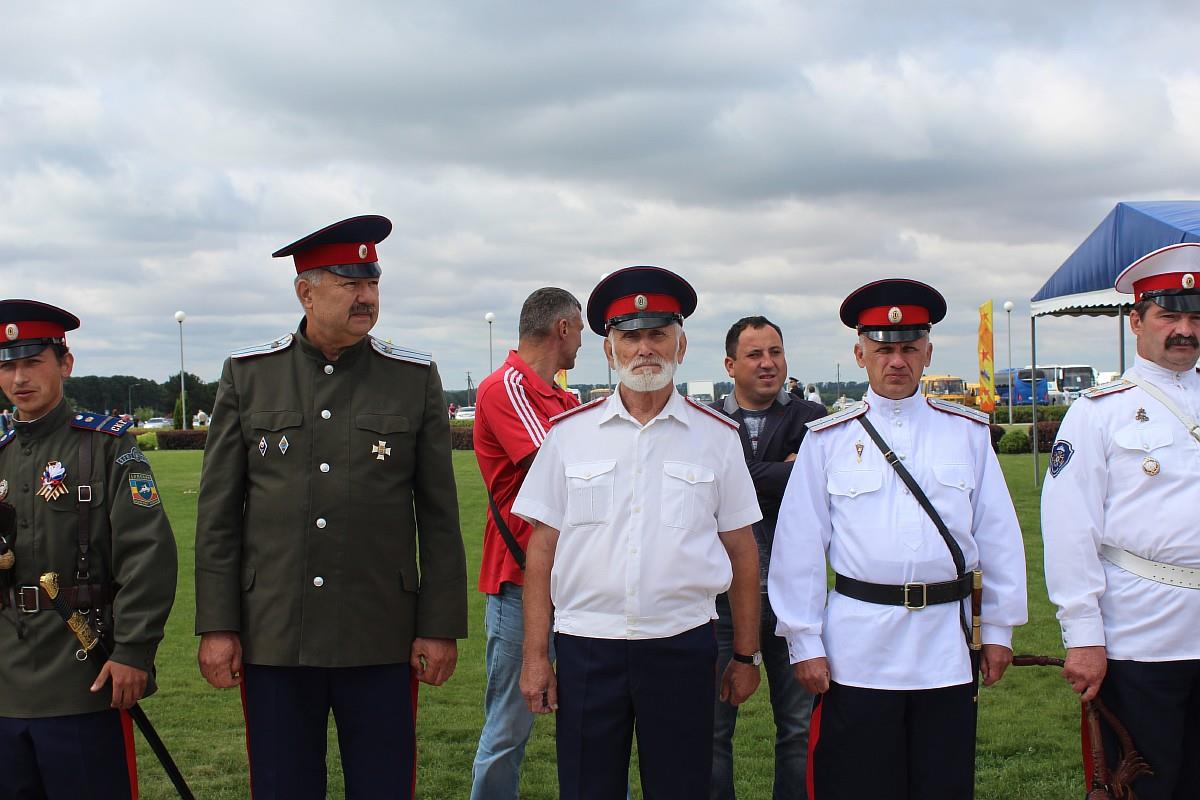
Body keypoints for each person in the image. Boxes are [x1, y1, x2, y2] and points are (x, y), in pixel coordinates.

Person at [194, 215, 468, 800]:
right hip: (274, 635)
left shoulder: (411, 378)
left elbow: (440, 519)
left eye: (371, 282)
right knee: (282, 785)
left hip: (380, 632)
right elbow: (217, 516)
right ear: (305, 291)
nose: (365, 295)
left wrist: (439, 627)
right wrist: (218, 626)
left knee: (383, 785)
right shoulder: (249, 377)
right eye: (348, 283)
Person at [768, 278, 1027, 800]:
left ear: (927, 353)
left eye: (909, 348)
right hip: (858, 649)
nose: (896, 361)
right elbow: (797, 548)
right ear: (860, 353)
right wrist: (803, 641)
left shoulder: (967, 434)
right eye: (883, 349)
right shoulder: (828, 442)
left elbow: (998, 538)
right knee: (858, 785)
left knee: (942, 784)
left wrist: (998, 629)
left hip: (946, 647)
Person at [516, 266, 763, 799]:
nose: (644, 348)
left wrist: (746, 654)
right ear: (610, 350)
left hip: (681, 646)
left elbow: (742, 552)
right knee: (586, 788)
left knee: (681, 788)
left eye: (657, 334)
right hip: (587, 646)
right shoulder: (568, 437)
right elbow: (541, 550)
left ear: (681, 343)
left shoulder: (717, 439)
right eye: (630, 336)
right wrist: (537, 656)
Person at [0, 300, 178, 798]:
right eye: (8, 365)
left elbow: (148, 555)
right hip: (5, 683)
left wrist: (135, 652)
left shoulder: (108, 448)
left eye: (32, 362)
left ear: (65, 363)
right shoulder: (2, 454)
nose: (19, 378)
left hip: (85, 676)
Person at [1042, 242, 1200, 800]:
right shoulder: (1097, 412)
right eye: (1169, 315)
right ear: (1136, 322)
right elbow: (1067, 529)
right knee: (1148, 784)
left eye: (1195, 316)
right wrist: (1083, 636)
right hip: (1141, 632)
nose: (1184, 329)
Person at [470, 287, 584, 799]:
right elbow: (562, 471)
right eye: (580, 329)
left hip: (577, 582)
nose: (583, 341)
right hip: (519, 582)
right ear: (562, 328)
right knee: (508, 729)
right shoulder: (506, 387)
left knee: (591, 725)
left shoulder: (563, 398)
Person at [710, 316, 827, 799]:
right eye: (755, 354)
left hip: (793, 595)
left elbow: (815, 486)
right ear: (730, 364)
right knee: (712, 733)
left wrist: (742, 475)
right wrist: (782, 472)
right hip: (719, 598)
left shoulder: (813, 419)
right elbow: (716, 490)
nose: (768, 363)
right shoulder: (708, 424)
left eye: (775, 352)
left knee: (798, 729)